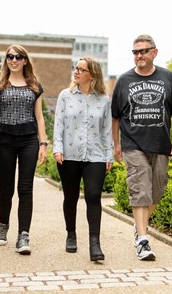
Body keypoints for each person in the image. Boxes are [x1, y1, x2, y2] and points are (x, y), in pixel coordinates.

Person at [111, 34, 172, 261]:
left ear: (154, 52)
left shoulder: (168, 77)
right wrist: (116, 145)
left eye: (143, 51)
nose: (139, 55)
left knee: (157, 188)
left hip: (161, 144)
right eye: (135, 52)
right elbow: (115, 117)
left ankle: (139, 226)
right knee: (140, 186)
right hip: (133, 144)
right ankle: (143, 241)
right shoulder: (124, 81)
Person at [0, 44, 48, 255]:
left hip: (28, 140)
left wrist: (43, 144)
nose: (13, 60)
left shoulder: (34, 86)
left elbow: (39, 117)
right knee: (6, 188)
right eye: (10, 57)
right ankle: (3, 227)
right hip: (4, 141)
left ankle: (23, 235)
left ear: (25, 60)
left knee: (25, 188)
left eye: (18, 57)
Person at [53, 57, 113, 262]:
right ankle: (71, 233)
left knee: (94, 196)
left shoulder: (104, 99)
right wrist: (57, 149)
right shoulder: (65, 96)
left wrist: (109, 154)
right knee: (70, 196)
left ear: (92, 74)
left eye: (81, 69)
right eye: (75, 68)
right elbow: (58, 124)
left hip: (95, 155)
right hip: (68, 155)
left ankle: (94, 243)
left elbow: (107, 130)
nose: (76, 72)